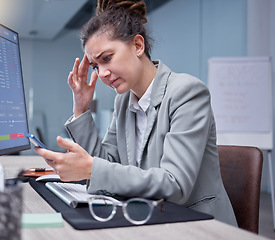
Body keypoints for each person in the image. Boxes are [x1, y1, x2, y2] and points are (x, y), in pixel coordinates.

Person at [34, 0, 237, 226]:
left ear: (138, 46)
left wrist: (92, 168)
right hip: (150, 217)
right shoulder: (123, 102)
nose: (101, 73)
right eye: (95, 66)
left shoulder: (187, 93)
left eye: (106, 58)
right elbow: (105, 165)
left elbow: (175, 185)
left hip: (197, 225)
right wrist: (81, 107)